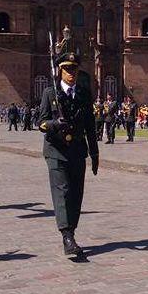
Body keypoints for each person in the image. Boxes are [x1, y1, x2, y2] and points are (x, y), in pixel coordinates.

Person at [37, 51, 99, 256]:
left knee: (76, 194)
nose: (71, 73)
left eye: (74, 69)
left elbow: (90, 125)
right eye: (66, 69)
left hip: (77, 151)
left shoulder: (83, 93)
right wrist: (55, 124)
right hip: (56, 150)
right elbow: (41, 122)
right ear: (59, 71)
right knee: (62, 191)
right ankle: (66, 235)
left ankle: (71, 230)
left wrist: (95, 153)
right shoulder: (49, 93)